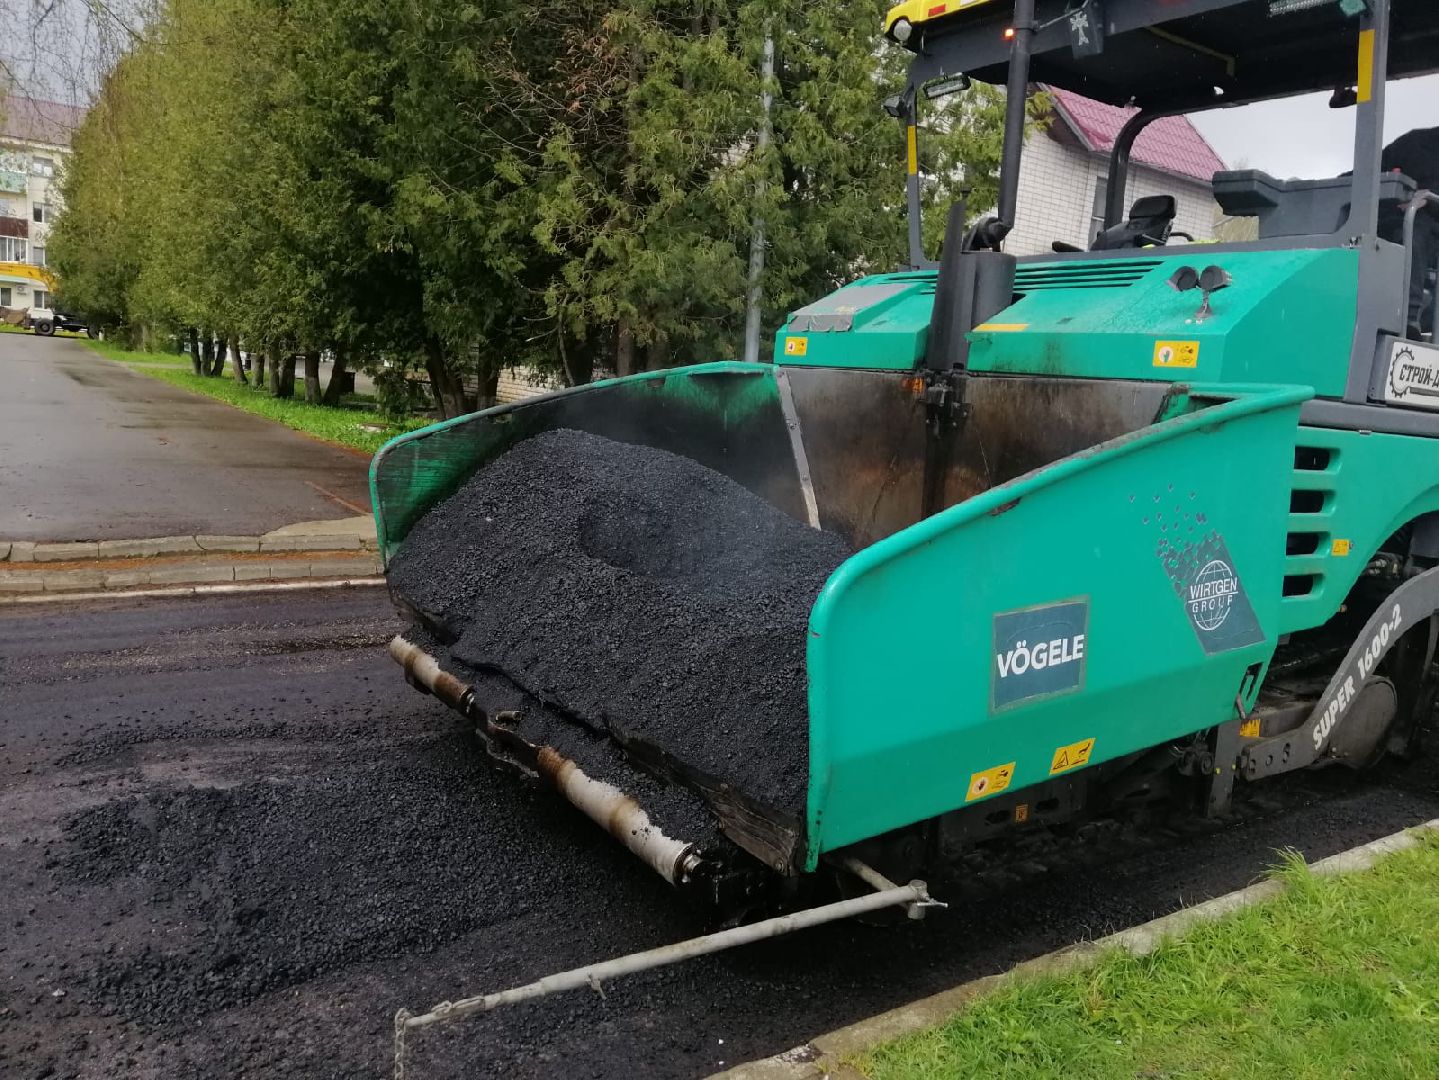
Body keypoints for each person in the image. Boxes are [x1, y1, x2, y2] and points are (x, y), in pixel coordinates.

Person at [1380, 127, 1439, 335]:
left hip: (1430, 226)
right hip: (1394, 217)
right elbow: (1367, 172)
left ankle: (1409, 318)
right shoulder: (1413, 143)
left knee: (1415, 227)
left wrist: (1428, 202)